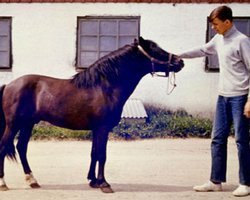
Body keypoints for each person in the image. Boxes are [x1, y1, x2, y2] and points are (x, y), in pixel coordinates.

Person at [177, 5, 250, 197]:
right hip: (222, 96)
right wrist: (178, 55)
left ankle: (245, 183)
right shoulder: (219, 39)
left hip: (240, 97)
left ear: (228, 22)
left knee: (242, 140)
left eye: (216, 24)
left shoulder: (242, 41)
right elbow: (203, 50)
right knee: (217, 139)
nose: (214, 28)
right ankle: (215, 181)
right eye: (212, 25)